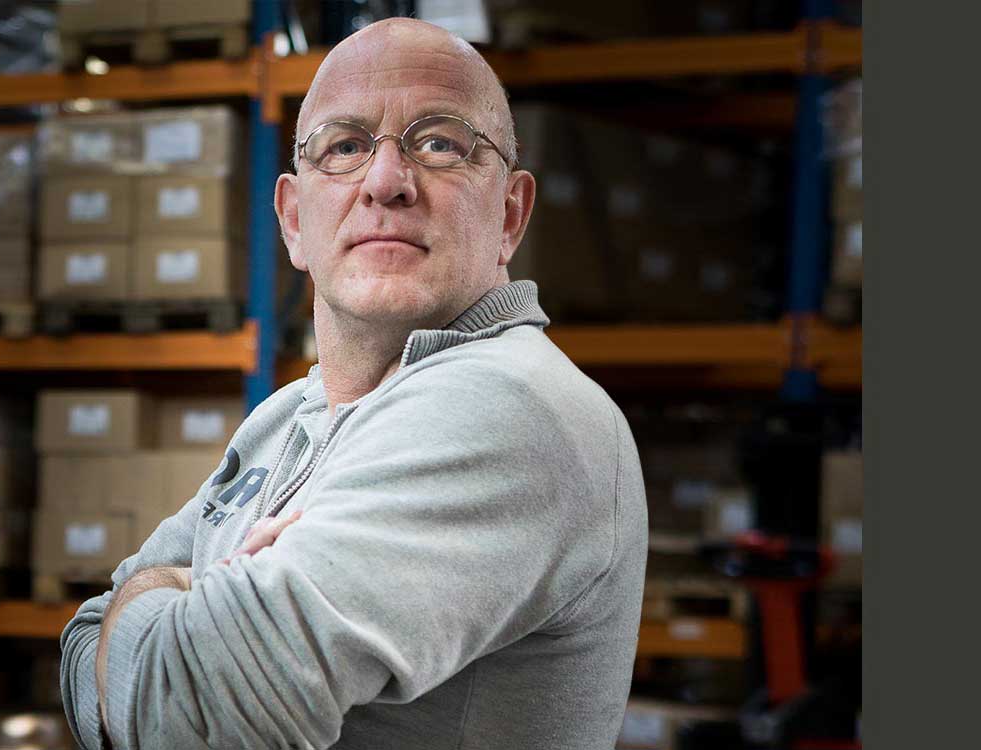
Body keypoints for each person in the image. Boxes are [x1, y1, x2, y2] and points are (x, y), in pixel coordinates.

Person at [56, 18, 648, 750]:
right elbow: (79, 646)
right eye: (343, 147)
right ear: (293, 220)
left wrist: (169, 592)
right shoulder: (285, 418)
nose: (385, 182)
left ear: (510, 215)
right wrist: (169, 611)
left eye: (440, 143)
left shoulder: (510, 406)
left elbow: (185, 716)